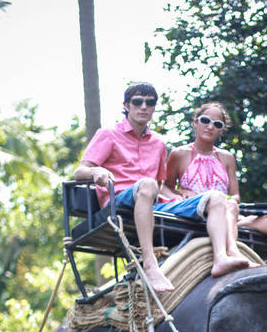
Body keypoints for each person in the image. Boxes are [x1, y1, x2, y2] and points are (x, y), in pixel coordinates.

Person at [74, 83, 250, 291]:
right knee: (147, 185)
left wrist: (178, 194)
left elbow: (161, 186)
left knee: (217, 197)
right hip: (120, 200)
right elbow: (80, 171)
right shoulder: (109, 134)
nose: (143, 107)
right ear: (127, 106)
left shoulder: (158, 143)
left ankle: (221, 257)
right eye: (138, 101)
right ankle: (150, 264)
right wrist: (97, 172)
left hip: (153, 203)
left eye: (150, 103)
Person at [166, 102, 267, 264]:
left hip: (229, 215)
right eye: (205, 120)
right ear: (195, 122)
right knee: (227, 204)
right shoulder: (179, 154)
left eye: (217, 124)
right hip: (196, 216)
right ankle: (231, 251)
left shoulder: (227, 157)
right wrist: (181, 193)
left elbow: (235, 195)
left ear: (222, 130)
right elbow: (165, 187)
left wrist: (230, 201)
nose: (210, 127)